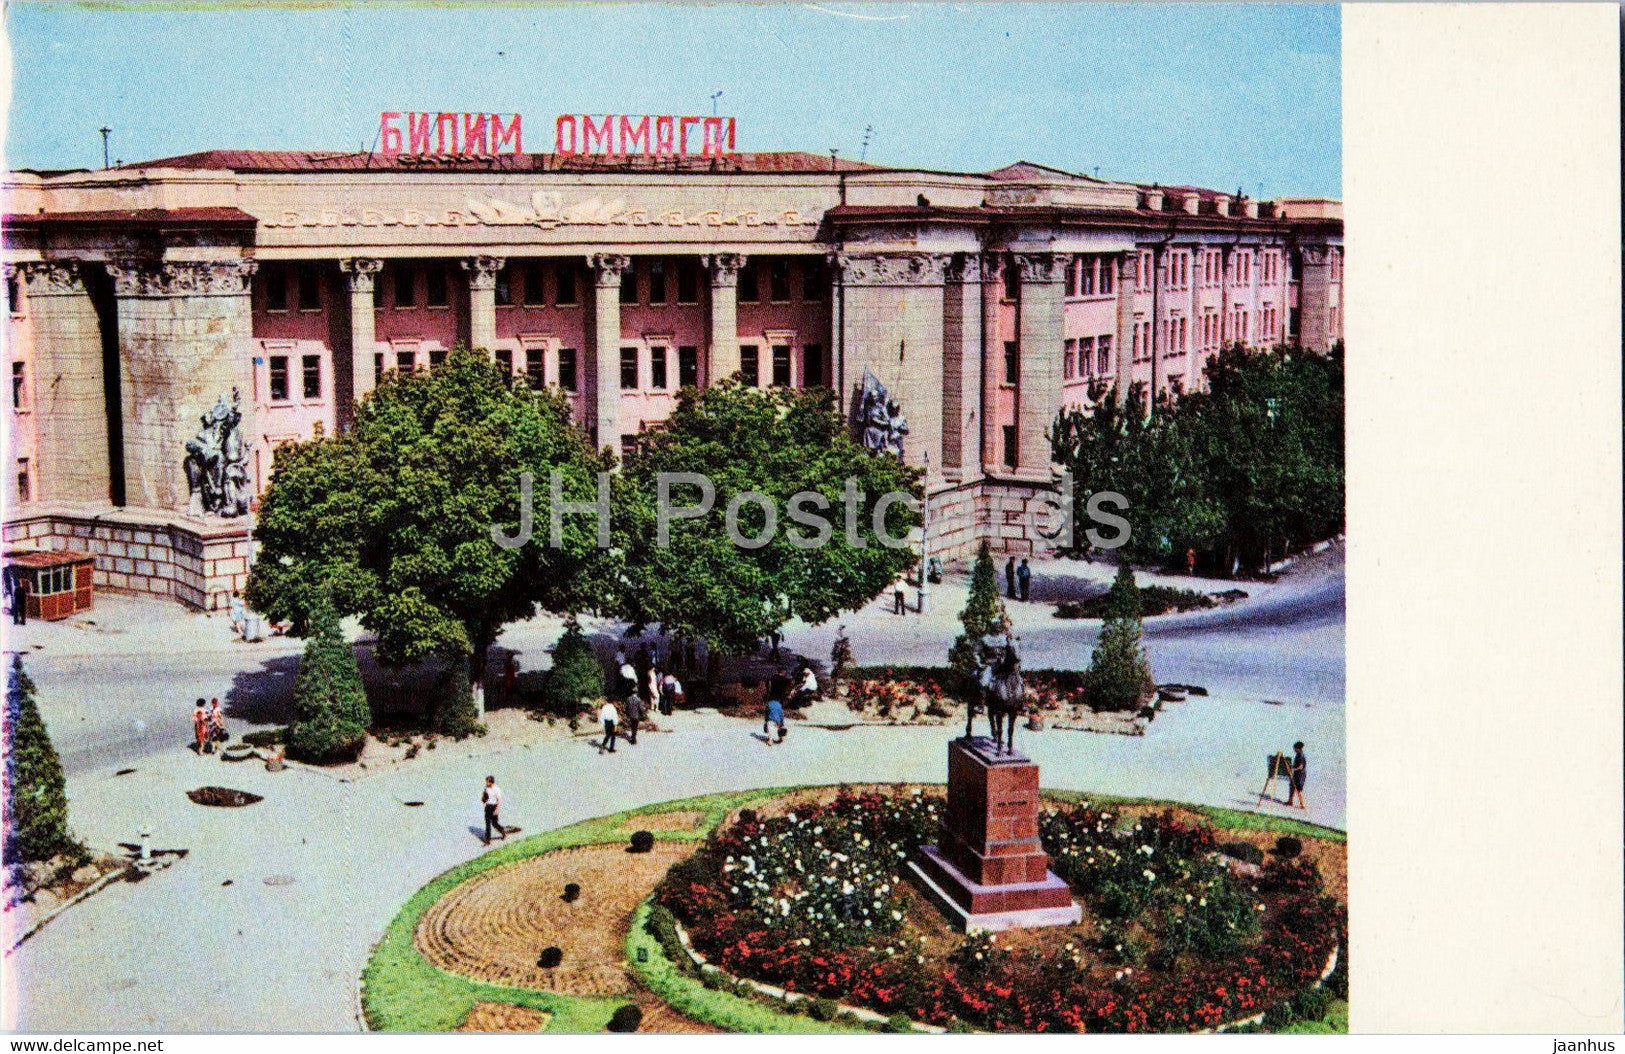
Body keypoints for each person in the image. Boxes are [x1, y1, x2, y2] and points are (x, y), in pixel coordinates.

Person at [481, 776, 506, 844]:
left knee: (494, 824)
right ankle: (487, 840)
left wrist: (497, 810)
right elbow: (484, 794)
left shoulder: (497, 789)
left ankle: (502, 831)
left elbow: (500, 800)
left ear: (491, 782)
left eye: (487, 782)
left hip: (494, 807)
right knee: (487, 824)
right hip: (488, 806)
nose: (486, 783)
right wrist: (484, 802)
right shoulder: (486, 787)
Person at [1289, 742, 1308, 809]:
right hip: (1297, 774)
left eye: (1295, 748)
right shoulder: (1298, 754)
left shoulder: (1300, 755)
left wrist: (1293, 768)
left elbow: (1301, 766)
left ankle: (1303, 805)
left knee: (1299, 789)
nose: (1294, 749)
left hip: (1300, 775)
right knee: (1292, 786)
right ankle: (1290, 801)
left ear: (1298, 748)